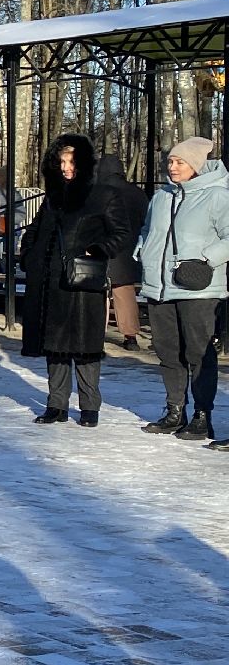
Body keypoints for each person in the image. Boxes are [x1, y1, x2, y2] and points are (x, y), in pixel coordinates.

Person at [23, 134, 129, 427]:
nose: (66, 168)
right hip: (51, 281)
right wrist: (29, 254)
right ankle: (55, 404)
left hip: (83, 280)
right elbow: (36, 229)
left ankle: (89, 406)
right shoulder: (53, 198)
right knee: (54, 346)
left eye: (71, 162)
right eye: (61, 162)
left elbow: (120, 233)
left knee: (85, 346)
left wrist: (95, 250)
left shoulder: (103, 194)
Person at [134, 137, 229, 442]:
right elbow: (148, 230)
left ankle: (203, 416)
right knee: (167, 351)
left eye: (180, 162)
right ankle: (175, 411)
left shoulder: (217, 196)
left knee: (199, 352)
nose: (172, 168)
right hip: (160, 287)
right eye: (171, 162)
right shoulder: (161, 197)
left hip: (198, 289)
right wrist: (142, 248)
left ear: (196, 166)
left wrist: (206, 259)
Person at [98, 153, 150, 351]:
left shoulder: (97, 192)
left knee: (98, 292)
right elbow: (146, 220)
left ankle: (96, 334)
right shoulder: (136, 193)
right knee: (124, 293)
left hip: (103, 247)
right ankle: (131, 336)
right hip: (127, 251)